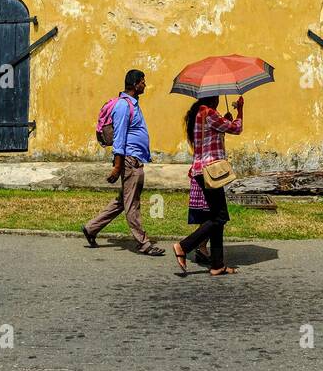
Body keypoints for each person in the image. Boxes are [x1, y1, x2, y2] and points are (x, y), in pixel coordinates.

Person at [82, 69, 165, 256]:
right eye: (143, 81)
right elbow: (119, 139)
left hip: (134, 159)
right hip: (129, 161)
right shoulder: (123, 106)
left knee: (123, 201)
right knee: (132, 204)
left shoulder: (133, 104)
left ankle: (91, 228)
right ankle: (144, 244)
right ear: (135, 84)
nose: (145, 84)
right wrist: (117, 166)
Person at [174, 94, 243, 276]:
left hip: (201, 170)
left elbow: (213, 133)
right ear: (213, 98)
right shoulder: (210, 113)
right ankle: (184, 246)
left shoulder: (200, 113)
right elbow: (237, 128)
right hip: (210, 172)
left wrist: (224, 121)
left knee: (216, 219)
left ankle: (217, 265)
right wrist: (240, 110)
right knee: (220, 217)